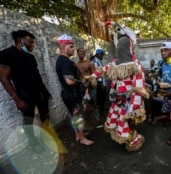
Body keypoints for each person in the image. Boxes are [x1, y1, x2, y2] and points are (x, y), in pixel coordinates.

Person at [0, 30, 64, 153]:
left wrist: (45, 92)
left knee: (45, 116)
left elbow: (37, 75)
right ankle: (32, 144)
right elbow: (3, 78)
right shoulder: (6, 54)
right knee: (28, 121)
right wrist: (17, 99)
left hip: (40, 93)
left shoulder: (30, 56)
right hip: (25, 95)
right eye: (30, 42)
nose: (32, 45)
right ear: (20, 40)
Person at [94, 19, 149, 151]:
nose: (120, 47)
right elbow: (104, 69)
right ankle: (128, 140)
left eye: (124, 43)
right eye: (119, 44)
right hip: (118, 100)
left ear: (130, 45)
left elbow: (139, 87)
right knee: (120, 121)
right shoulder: (115, 63)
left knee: (129, 122)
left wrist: (134, 109)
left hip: (130, 101)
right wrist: (93, 76)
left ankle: (132, 141)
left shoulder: (136, 66)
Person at [55, 34, 94, 145]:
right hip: (72, 95)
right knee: (78, 117)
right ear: (63, 47)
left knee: (74, 116)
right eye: (71, 46)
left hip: (68, 94)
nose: (73, 49)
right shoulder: (65, 62)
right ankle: (82, 138)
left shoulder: (62, 60)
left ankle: (78, 135)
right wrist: (82, 81)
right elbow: (70, 81)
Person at [91, 49, 107, 113]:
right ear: (98, 54)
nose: (102, 56)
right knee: (100, 96)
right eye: (102, 55)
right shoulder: (95, 62)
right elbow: (96, 73)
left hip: (103, 82)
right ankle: (100, 110)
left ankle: (102, 108)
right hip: (100, 83)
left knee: (103, 96)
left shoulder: (99, 61)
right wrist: (100, 83)